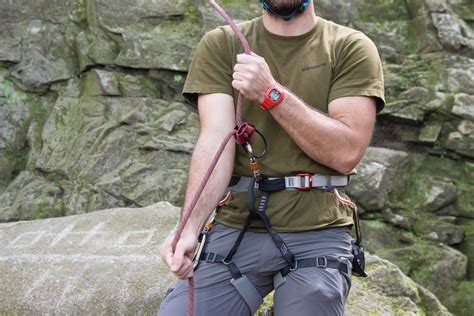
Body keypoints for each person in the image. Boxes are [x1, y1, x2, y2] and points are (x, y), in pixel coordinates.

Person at [158, 0, 384, 315]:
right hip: (235, 228)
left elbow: (345, 152)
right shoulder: (223, 44)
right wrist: (189, 227)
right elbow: (215, 141)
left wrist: (271, 93)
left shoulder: (349, 47)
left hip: (317, 231)